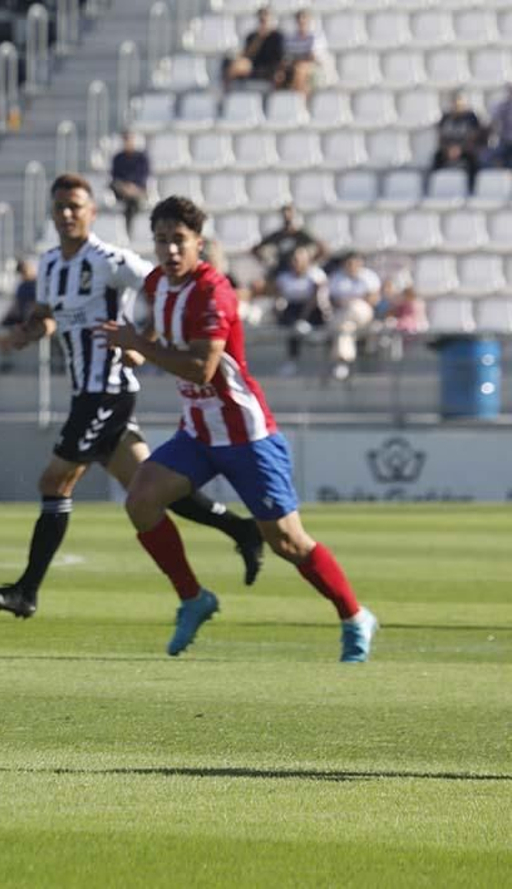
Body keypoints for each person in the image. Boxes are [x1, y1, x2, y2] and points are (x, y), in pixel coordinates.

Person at [102, 195, 378, 662]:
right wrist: (135, 348)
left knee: (287, 542)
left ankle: (354, 617)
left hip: (246, 435)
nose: (170, 250)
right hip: (197, 432)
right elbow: (155, 335)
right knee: (141, 500)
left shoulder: (215, 292)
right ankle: (193, 598)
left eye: (180, 240)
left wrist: (140, 346)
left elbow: (202, 369)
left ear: (199, 242)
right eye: (162, 240)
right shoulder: (156, 283)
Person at [0, 176, 262, 620]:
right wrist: (26, 333)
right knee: (149, 487)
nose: (67, 214)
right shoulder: (49, 264)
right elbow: (49, 316)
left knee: (54, 482)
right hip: (86, 392)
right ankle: (241, 529)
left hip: (105, 391)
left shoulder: (110, 261)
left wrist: (143, 342)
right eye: (60, 206)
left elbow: (165, 288)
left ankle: (27, 591)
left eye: (75, 206)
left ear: (91, 213)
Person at [273, 246, 328, 375]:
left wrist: (304, 317)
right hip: (292, 308)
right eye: (294, 260)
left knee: (299, 325)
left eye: (299, 260)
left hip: (313, 309)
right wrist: (278, 309)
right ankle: (292, 359)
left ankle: (309, 332)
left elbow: (315, 298)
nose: (296, 263)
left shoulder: (316, 275)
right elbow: (279, 297)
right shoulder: (284, 277)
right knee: (293, 325)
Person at [325, 252, 380, 381]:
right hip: (344, 314)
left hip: (364, 314)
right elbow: (333, 300)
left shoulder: (369, 276)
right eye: (349, 263)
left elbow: (373, 299)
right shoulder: (336, 277)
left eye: (354, 263)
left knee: (353, 307)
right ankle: (343, 362)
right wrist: (347, 303)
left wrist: (351, 302)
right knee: (345, 328)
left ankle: (342, 363)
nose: (352, 266)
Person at [432, 91, 485, 192]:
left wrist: (460, 149)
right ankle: (434, 187)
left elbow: (475, 136)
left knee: (474, 160)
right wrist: (448, 149)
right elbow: (440, 137)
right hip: (448, 150)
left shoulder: (471, 117)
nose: (457, 106)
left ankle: (472, 187)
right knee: (436, 157)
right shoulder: (446, 117)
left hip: (465, 149)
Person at [223, 7, 285, 91]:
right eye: (261, 19)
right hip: (254, 66)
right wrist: (259, 38)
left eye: (265, 18)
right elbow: (248, 54)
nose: (263, 21)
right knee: (236, 65)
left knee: (279, 75)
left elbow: (279, 57)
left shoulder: (277, 36)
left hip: (270, 68)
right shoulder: (252, 36)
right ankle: (228, 92)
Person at [280, 10, 328, 97]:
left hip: (315, 67)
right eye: (299, 18)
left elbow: (313, 57)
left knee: (300, 70)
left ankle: (296, 97)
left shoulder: (316, 36)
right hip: (295, 66)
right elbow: (288, 57)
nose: (301, 20)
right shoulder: (290, 38)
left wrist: (297, 59)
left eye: (304, 18)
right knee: (279, 75)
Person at [109, 132, 150, 234]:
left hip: (137, 189)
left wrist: (132, 186)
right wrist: (124, 186)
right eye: (125, 139)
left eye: (129, 139)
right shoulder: (118, 158)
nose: (127, 142)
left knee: (131, 202)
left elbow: (143, 175)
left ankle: (128, 231)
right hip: (121, 190)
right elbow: (114, 176)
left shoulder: (142, 158)